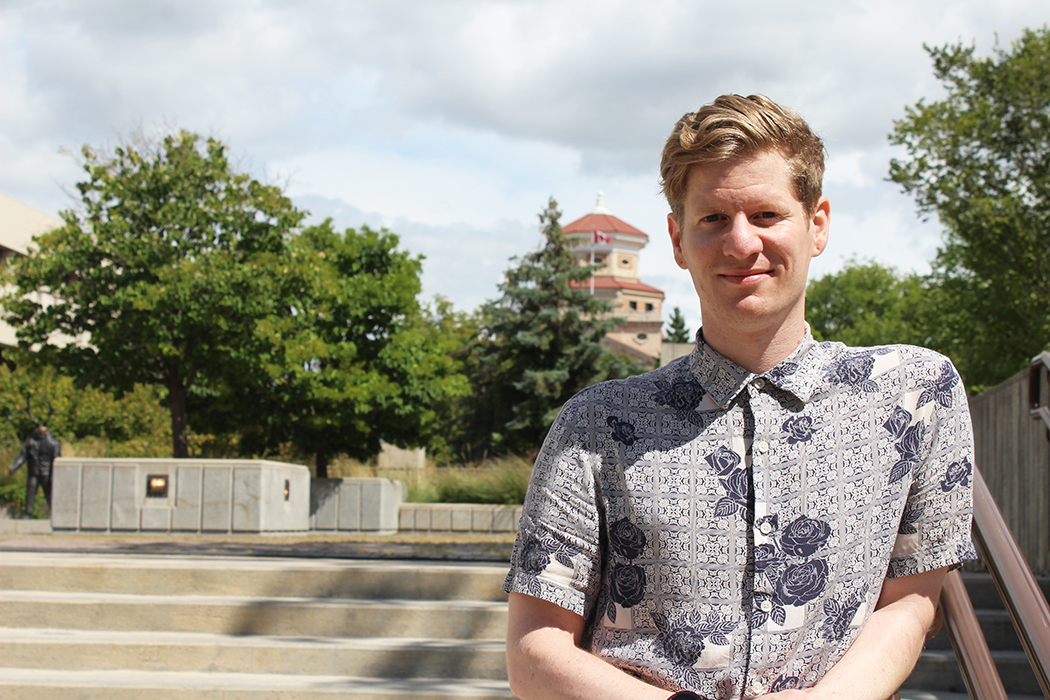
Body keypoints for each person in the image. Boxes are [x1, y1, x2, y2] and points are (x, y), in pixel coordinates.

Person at [503, 94, 976, 700]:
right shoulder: (594, 425)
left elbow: (912, 602)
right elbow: (534, 649)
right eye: (713, 220)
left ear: (818, 223)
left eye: (767, 214)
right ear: (677, 241)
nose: (741, 242)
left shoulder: (914, 398)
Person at [10, 424, 61, 519]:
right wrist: (14, 467)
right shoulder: (30, 442)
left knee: (49, 494)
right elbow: (22, 456)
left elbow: (57, 460)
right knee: (30, 493)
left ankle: (55, 514)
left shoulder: (52, 443)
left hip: (47, 474)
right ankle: (28, 513)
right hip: (33, 473)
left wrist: (58, 475)